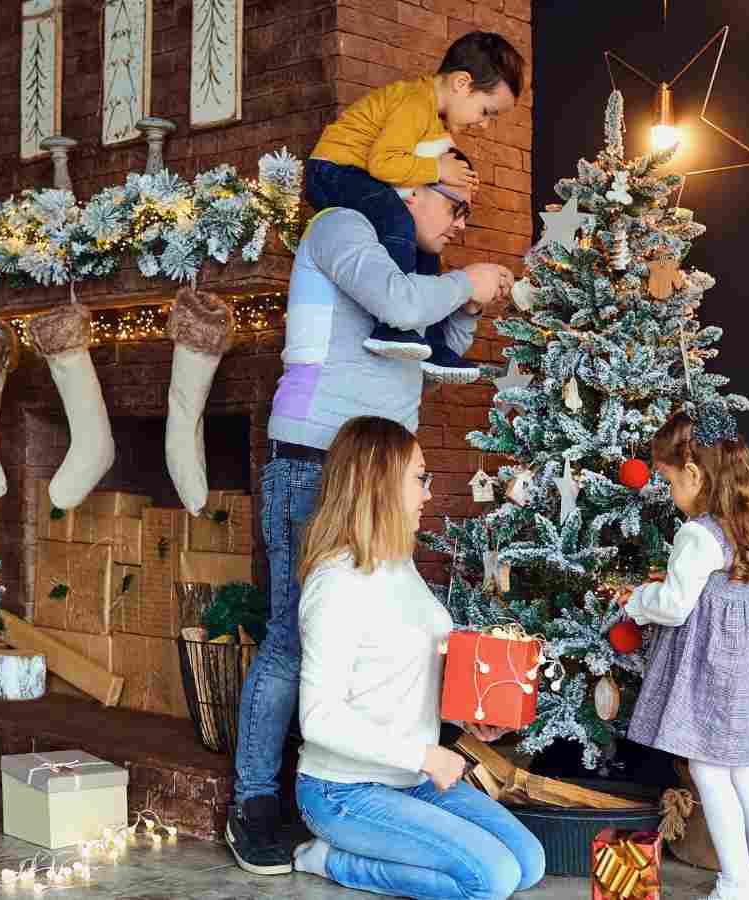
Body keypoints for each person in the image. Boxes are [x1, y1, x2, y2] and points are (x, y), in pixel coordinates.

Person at [226, 156, 514, 875]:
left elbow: (432, 347)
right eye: (455, 205)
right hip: (316, 458)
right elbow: (403, 302)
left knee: (389, 620)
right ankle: (255, 805)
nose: (459, 223)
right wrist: (463, 282)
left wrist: (471, 309)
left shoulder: (410, 266)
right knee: (292, 634)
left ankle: (364, 784)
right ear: (410, 188)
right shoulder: (342, 226)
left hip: (383, 471)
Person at [289, 415, 546, 899]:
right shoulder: (337, 585)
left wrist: (468, 718)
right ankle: (335, 860)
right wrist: (425, 755)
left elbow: (408, 669)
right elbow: (319, 718)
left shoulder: (398, 563)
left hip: (412, 779)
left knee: (530, 863)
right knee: (491, 879)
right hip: (344, 791)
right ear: (380, 483)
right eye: (419, 478)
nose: (428, 493)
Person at [616, 414, 749, 900]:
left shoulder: (697, 535)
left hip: (714, 672)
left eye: (670, 481)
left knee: (709, 771)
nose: (669, 491)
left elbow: (674, 607)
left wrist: (635, 601)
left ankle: (737, 882)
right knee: (745, 771)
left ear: (694, 475)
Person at [305, 30, 524, 383]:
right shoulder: (414, 101)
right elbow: (383, 163)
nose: (484, 125)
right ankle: (390, 328)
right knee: (397, 220)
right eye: (487, 112)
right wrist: (439, 170)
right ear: (461, 83)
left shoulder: (433, 119)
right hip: (332, 170)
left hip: (358, 174)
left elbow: (431, 158)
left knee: (424, 253)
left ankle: (433, 344)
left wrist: (461, 178)